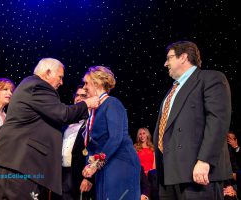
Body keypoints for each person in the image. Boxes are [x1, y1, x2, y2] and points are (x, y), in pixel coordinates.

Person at [0, 58, 99, 200]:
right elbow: (62, 114)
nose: (61, 82)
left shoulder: (29, 84)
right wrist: (87, 104)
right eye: (60, 77)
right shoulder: (39, 86)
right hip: (20, 164)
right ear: (47, 73)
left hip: (9, 162)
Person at [154, 41, 232, 199]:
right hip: (170, 175)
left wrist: (205, 160)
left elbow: (217, 121)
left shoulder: (210, 78)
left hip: (198, 174)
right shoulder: (172, 91)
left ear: (183, 57)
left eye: (169, 58)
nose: (165, 63)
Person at [82, 66, 141, 200]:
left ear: (97, 83)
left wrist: (96, 164)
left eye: (86, 83)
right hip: (105, 164)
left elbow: (115, 138)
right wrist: (90, 164)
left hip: (120, 162)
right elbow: (92, 144)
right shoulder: (94, 110)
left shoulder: (113, 103)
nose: (84, 87)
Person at [56, 85, 94, 200]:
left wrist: (89, 178)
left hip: (80, 177)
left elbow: (95, 152)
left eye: (83, 96)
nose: (78, 98)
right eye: (77, 95)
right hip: (62, 175)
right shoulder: (65, 122)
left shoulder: (92, 123)